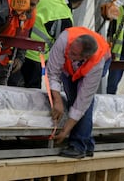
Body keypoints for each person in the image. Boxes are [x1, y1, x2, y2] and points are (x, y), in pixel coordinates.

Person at [47, 26, 111, 159]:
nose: (69, 54)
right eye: (70, 50)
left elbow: (82, 102)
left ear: (85, 57)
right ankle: (87, 143)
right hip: (72, 65)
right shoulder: (64, 40)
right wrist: (57, 101)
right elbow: (53, 73)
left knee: (81, 100)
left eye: (74, 54)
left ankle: (78, 145)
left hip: (102, 59)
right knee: (72, 98)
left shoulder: (96, 64)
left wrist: (65, 131)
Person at [22, 0, 87, 89]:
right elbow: (61, 48)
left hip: (21, 47)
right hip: (35, 55)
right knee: (31, 92)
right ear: (80, 3)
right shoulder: (66, 17)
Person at [0, 0, 41, 86]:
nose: (29, 7)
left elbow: (24, 38)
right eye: (27, 2)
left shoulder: (31, 15)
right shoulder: (4, 6)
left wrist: (20, 58)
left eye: (32, 4)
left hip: (3, 59)